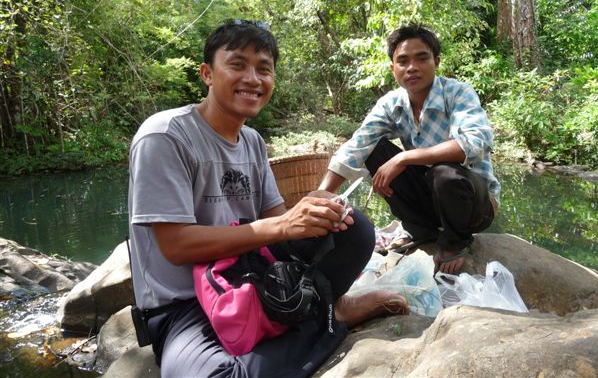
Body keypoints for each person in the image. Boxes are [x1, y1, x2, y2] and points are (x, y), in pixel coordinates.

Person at [127, 19, 407, 378]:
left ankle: (322, 309)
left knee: (352, 226)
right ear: (207, 74)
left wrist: (313, 209)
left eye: (264, 69)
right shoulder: (164, 136)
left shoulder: (253, 141)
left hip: (252, 282)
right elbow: (176, 246)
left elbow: (278, 224)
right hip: (185, 306)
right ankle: (330, 318)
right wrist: (283, 224)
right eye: (238, 65)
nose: (253, 79)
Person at [318, 23, 500, 275]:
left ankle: (456, 240)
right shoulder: (392, 103)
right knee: (374, 149)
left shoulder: (457, 93)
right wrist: (321, 194)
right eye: (402, 61)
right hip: (431, 198)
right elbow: (358, 143)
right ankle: (420, 228)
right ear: (393, 68)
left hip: (473, 204)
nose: (412, 67)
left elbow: (475, 142)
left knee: (444, 172)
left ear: (436, 61)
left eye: (422, 58)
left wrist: (405, 157)